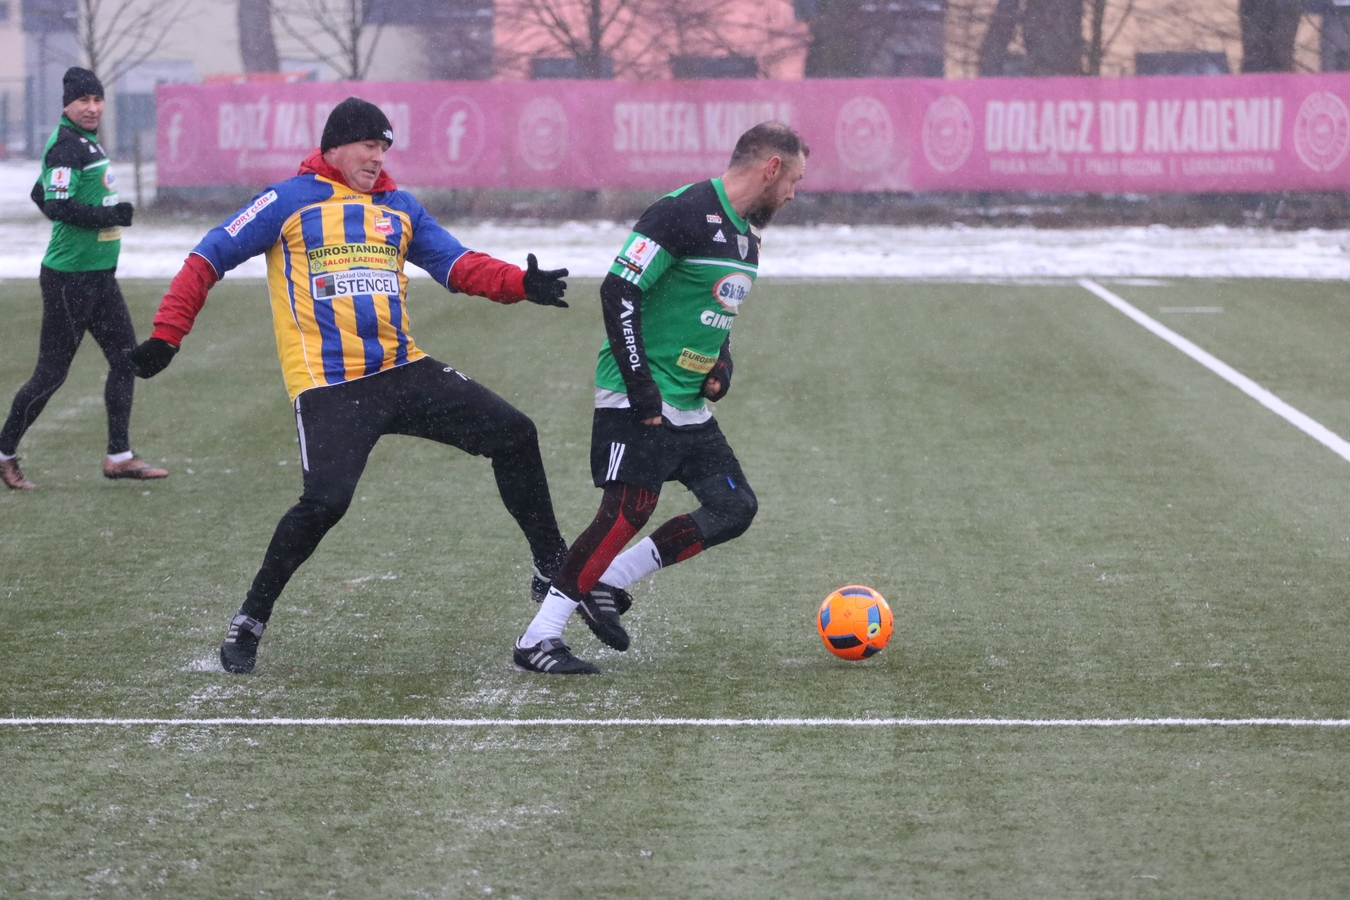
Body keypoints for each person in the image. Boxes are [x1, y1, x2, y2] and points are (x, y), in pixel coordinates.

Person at [129, 97, 572, 674]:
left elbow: (458, 265)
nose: (377, 157)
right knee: (325, 503)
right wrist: (167, 335)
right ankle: (251, 617)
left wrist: (520, 283)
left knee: (514, 433)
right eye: (368, 145)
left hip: (403, 369)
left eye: (384, 147)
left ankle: (550, 566)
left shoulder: (399, 206)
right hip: (331, 386)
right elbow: (206, 258)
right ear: (335, 146)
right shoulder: (287, 200)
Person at [513, 122, 808, 675]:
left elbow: (717, 314)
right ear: (771, 168)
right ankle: (538, 638)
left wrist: (722, 364)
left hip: (688, 406)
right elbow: (619, 288)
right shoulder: (682, 211)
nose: (794, 193)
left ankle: (607, 581)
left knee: (734, 508)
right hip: (637, 391)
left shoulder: (747, 236)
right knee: (627, 511)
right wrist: (640, 384)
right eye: (794, 179)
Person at [0, 67, 166, 491]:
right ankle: (3, 452)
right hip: (69, 279)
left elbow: (41, 193)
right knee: (51, 374)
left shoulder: (85, 141)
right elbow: (58, 206)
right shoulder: (67, 146)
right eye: (83, 100)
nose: (92, 108)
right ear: (67, 105)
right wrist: (110, 216)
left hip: (98, 276)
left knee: (126, 360)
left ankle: (119, 457)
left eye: (97, 99)